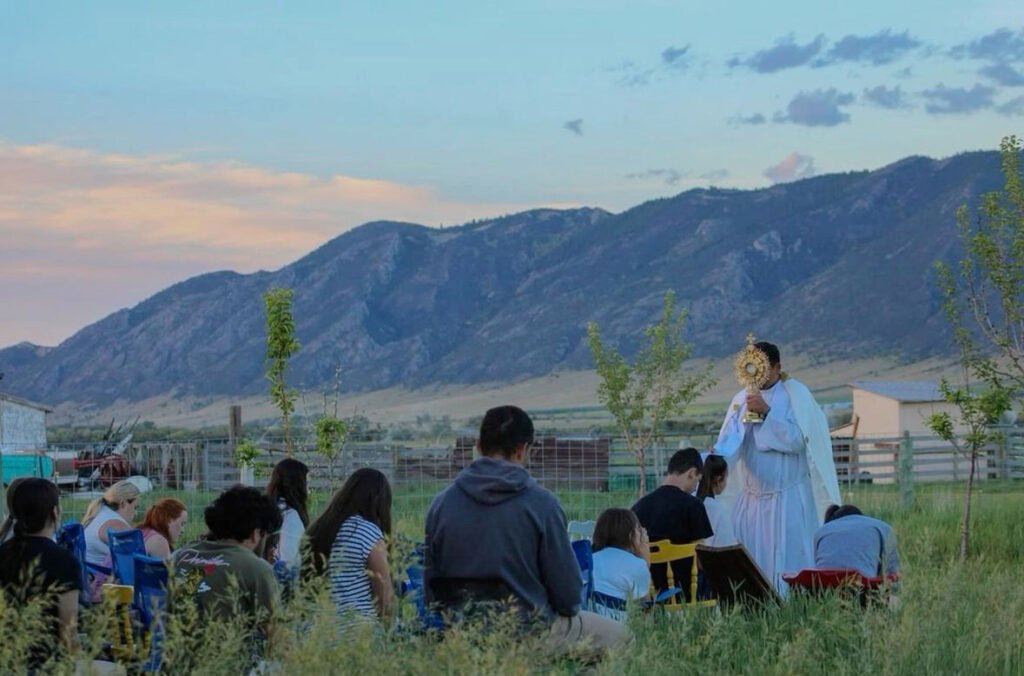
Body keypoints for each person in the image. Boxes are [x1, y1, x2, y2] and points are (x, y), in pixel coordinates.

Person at [425, 405, 627, 656]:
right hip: (529, 634)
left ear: (478, 446)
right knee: (622, 638)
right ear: (523, 450)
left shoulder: (441, 505)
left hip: (464, 634)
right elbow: (569, 596)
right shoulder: (542, 504)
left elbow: (431, 589)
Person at [713, 341, 841, 593]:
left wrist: (768, 413)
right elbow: (731, 445)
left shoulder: (796, 396)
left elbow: (798, 441)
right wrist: (713, 459)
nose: (757, 375)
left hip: (788, 497)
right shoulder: (741, 399)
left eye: (762, 368)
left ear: (777, 367)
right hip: (752, 501)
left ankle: (793, 605)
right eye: (751, 368)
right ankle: (753, 604)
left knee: (789, 555)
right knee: (752, 556)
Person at [172, 485, 282, 638]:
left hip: (174, 656)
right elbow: (274, 634)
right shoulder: (256, 568)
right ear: (256, 533)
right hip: (225, 659)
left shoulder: (182, 555)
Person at [0, 478, 81, 669]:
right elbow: (68, 633)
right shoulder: (64, 561)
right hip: (46, 665)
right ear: (54, 512)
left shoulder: (3, 553)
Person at [305, 468, 394, 630]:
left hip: (315, 635)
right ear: (379, 503)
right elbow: (384, 600)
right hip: (356, 635)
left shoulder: (318, 529)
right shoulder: (368, 533)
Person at [631, 448, 712, 600]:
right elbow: (702, 559)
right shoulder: (694, 506)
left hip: (649, 591)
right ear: (692, 473)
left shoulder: (639, 507)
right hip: (687, 592)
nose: (696, 486)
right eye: (698, 480)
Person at [82, 480, 142, 600]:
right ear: (124, 503)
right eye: (136, 507)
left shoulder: (101, 514)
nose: (136, 512)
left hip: (88, 581)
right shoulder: (116, 523)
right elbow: (137, 559)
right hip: (98, 589)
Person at [590, 508, 651, 622]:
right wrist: (646, 559)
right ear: (630, 535)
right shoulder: (637, 564)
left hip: (587, 617)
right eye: (639, 530)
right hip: (617, 623)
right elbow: (645, 607)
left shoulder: (591, 558)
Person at [813, 504, 901, 578]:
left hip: (823, 586)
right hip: (862, 586)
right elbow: (893, 573)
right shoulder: (882, 527)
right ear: (861, 516)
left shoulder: (821, 531)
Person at [265, 458, 310, 570]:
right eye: (306, 482)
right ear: (299, 484)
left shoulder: (269, 508)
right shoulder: (290, 516)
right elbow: (291, 562)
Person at [696, 455, 737, 547]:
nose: (726, 481)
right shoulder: (718, 510)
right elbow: (728, 547)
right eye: (726, 477)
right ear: (718, 479)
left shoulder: (695, 502)